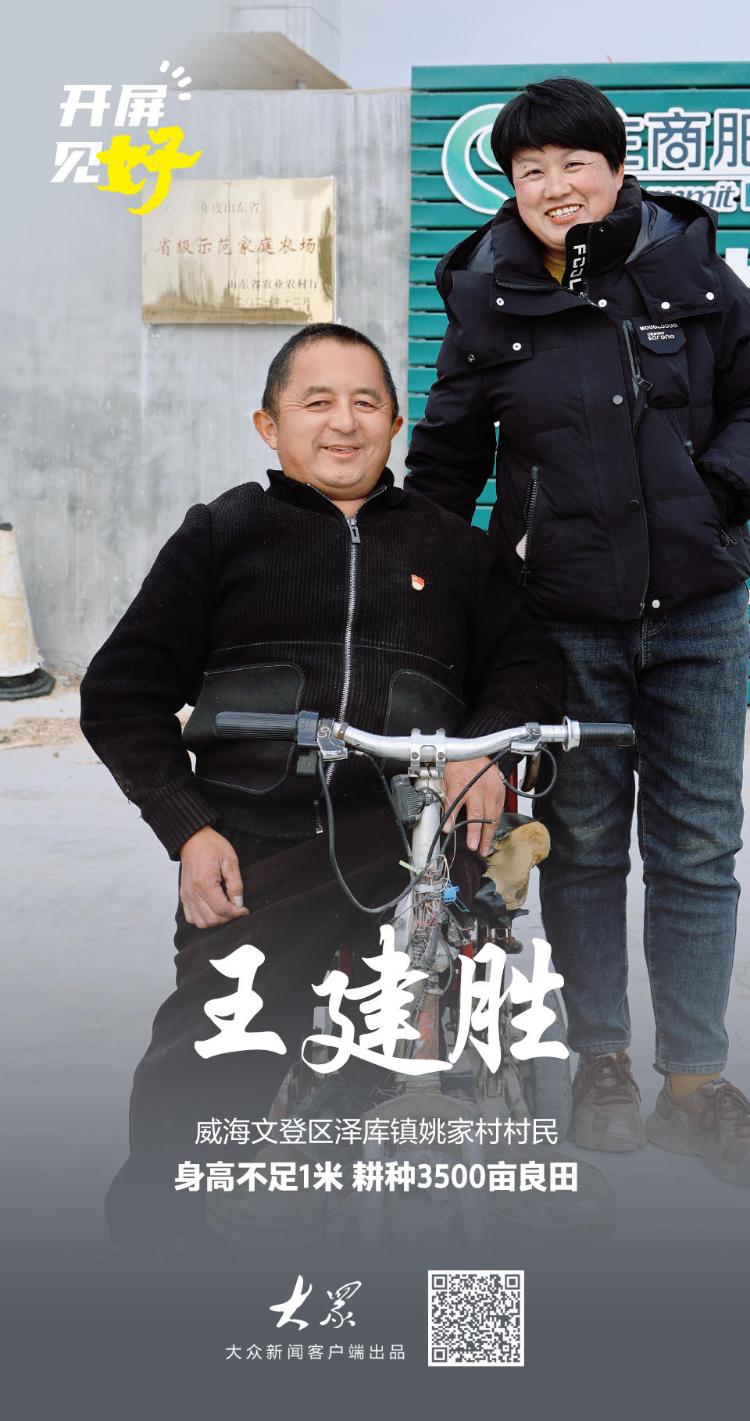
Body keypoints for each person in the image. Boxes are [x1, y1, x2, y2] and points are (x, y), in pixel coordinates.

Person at [80, 322, 561, 1241]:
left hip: (416, 837)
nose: (344, 423)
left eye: (366, 403)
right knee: (214, 1049)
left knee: (432, 1038)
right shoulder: (222, 534)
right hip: (263, 842)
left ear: (396, 425)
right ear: (269, 425)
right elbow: (120, 694)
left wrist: (483, 748)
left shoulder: (455, 549)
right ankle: (166, 1253)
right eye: (317, 402)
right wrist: (189, 829)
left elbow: (529, 662)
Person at [406, 76, 750, 1184]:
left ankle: (693, 1080)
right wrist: (423, 590)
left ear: (617, 170)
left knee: (698, 845)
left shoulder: (694, 270)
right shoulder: (486, 296)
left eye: (574, 164)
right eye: (531, 170)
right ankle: (601, 1059)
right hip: (564, 615)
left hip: (703, 606)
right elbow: (449, 457)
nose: (556, 186)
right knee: (587, 845)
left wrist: (716, 495)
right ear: (511, 186)